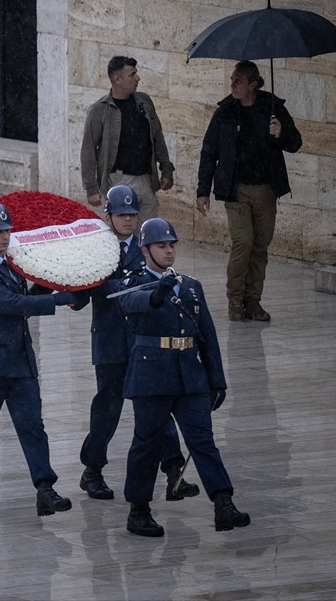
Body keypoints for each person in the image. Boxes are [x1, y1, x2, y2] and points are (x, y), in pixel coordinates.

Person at [117, 218, 250, 537]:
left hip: (190, 378)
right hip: (152, 377)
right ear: (145, 249)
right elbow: (131, 304)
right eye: (161, 246)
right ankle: (139, 510)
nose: (168, 250)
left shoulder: (190, 285)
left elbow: (207, 334)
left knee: (203, 441)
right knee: (146, 444)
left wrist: (216, 378)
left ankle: (223, 503)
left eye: (172, 245)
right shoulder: (132, 282)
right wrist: (157, 292)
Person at [0, 201, 79, 516]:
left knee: (32, 425)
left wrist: (51, 285)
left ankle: (45, 488)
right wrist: (55, 300)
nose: (5, 237)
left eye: (7, 231)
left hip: (19, 360)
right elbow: (8, 303)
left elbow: (23, 297)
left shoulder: (13, 263)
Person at [77, 185, 197, 503]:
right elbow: (84, 290)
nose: (128, 220)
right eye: (121, 215)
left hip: (142, 340)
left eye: (132, 214)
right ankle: (92, 470)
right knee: (108, 408)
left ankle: (173, 471)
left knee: (155, 406)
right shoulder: (96, 248)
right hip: (110, 339)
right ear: (109, 216)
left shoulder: (144, 246)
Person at [197, 60, 302, 322]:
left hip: (266, 189)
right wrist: (203, 191)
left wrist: (281, 132)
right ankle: (235, 301)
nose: (232, 85)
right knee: (243, 242)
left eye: (238, 80)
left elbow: (296, 143)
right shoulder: (225, 112)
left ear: (253, 84)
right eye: (232, 79)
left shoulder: (273, 107)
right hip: (236, 189)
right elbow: (209, 152)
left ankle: (253, 301)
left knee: (260, 246)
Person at [80, 55, 174, 221]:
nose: (137, 78)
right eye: (132, 75)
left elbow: (157, 136)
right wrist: (91, 188)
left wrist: (166, 168)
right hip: (118, 181)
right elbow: (88, 149)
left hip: (146, 179)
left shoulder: (144, 102)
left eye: (136, 73)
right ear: (117, 79)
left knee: (148, 236)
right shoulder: (100, 110)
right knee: (122, 236)